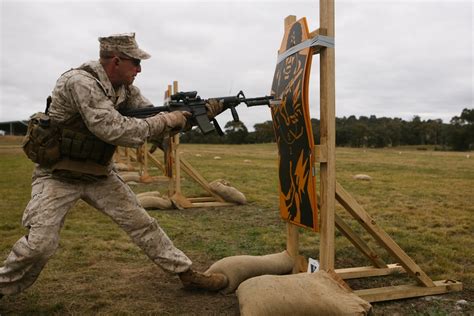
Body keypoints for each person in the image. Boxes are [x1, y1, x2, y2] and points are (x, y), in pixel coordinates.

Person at [0, 33, 227, 298]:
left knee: (142, 224)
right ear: (116, 61)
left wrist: (193, 116)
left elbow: (153, 122)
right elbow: (114, 130)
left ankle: (186, 274)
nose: (140, 69)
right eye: (135, 63)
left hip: (98, 173)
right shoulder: (80, 82)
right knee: (40, 245)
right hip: (58, 175)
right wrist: (169, 120)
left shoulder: (125, 90)